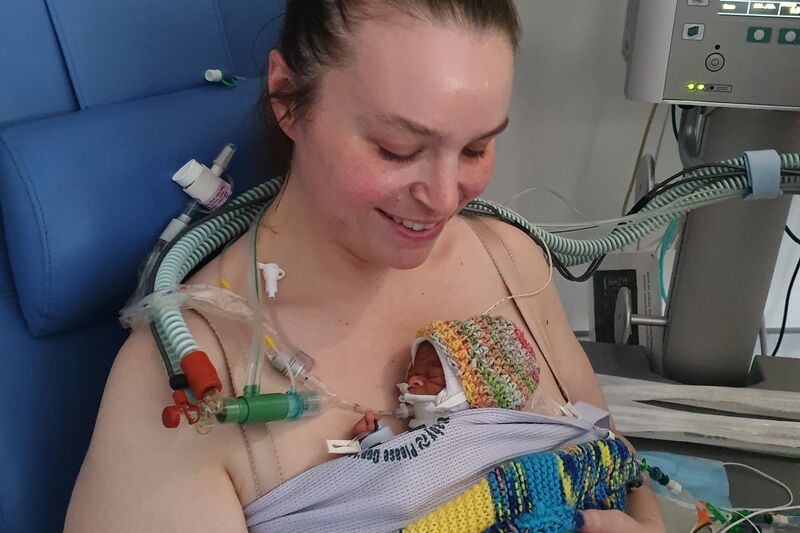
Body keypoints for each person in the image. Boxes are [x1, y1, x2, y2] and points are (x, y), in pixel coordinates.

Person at [65, 1, 666, 532]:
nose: (445, 196)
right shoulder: (190, 375)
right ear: (287, 99)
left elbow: (620, 474)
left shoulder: (508, 257)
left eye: (477, 148)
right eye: (397, 149)